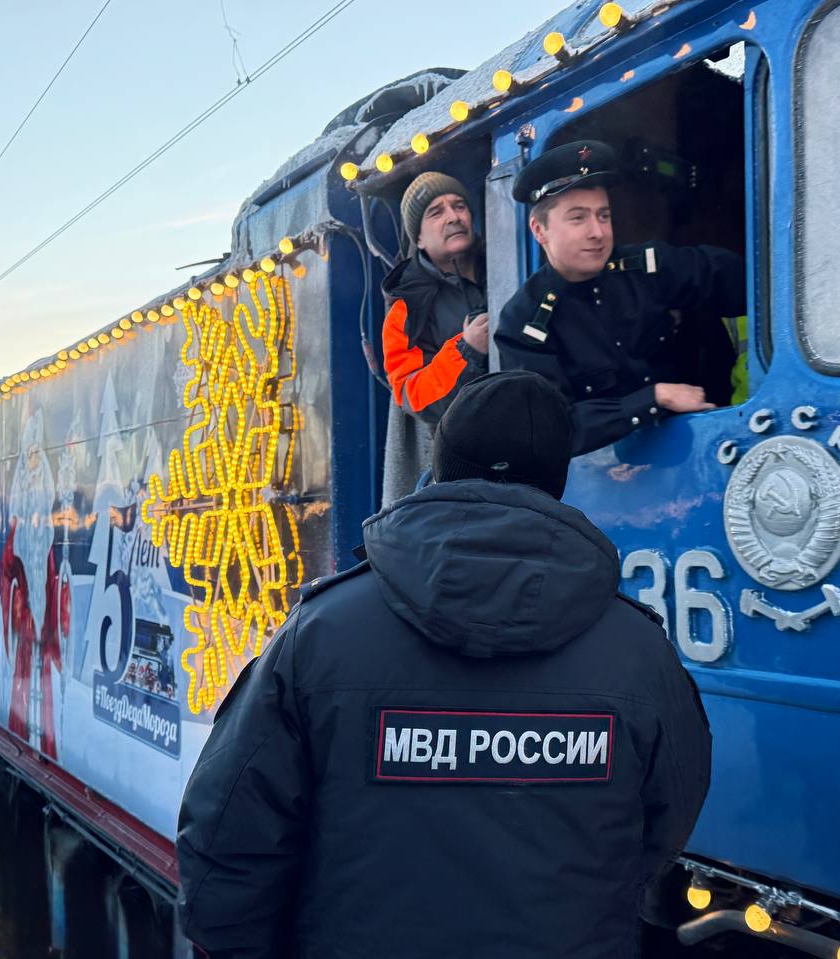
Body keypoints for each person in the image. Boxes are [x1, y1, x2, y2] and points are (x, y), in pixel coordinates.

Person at [176, 370, 713, 959]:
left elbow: (229, 830)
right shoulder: (638, 650)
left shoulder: (322, 631)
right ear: (556, 478)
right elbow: (665, 824)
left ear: (445, 463)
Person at [496, 140, 746, 456]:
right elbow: (549, 429)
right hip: (613, 477)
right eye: (578, 218)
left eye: (603, 215)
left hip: (711, 444)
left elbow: (747, 282)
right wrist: (653, 399)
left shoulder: (648, 266)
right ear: (539, 230)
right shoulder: (524, 321)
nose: (598, 232)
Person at [380, 171, 488, 504]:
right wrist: (467, 350)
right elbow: (412, 396)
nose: (453, 217)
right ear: (419, 239)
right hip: (461, 472)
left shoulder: (510, 257)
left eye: (459, 206)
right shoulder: (404, 310)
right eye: (436, 212)